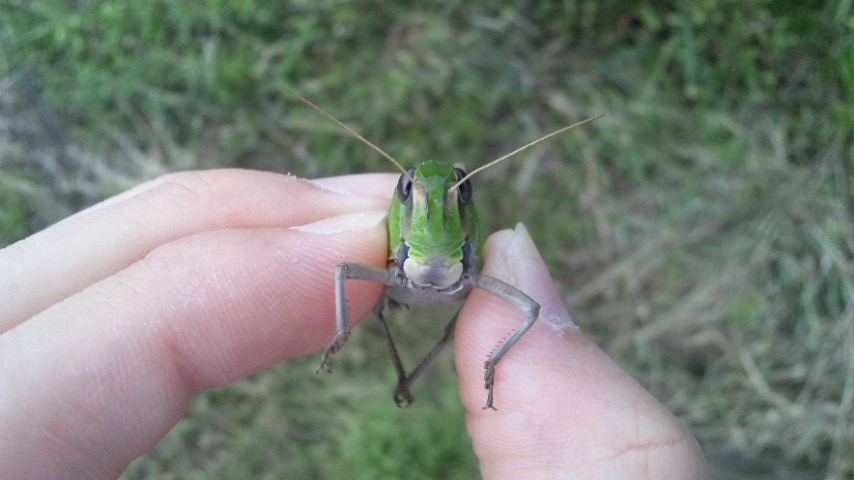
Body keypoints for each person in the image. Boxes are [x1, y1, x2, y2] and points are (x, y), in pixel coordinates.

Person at [0, 169, 705, 479]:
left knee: (514, 310)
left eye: (454, 192)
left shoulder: (463, 215)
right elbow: (343, 274)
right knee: (352, 287)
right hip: (397, 278)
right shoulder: (398, 215)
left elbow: (523, 310)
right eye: (420, 193)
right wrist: (338, 335)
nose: (433, 200)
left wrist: (493, 362)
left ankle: (464, 368)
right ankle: (397, 370)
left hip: (459, 280)